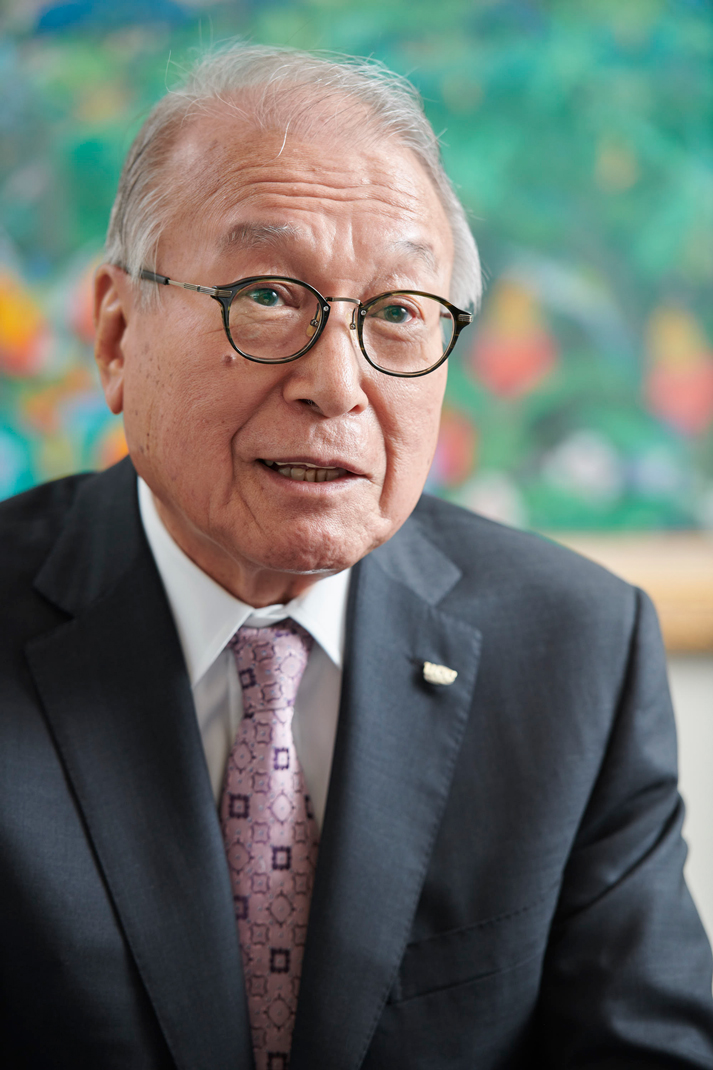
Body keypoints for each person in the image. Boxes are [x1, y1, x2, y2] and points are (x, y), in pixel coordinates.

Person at [0, 43, 712, 1070]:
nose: (335, 384)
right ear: (116, 334)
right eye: (268, 296)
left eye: (395, 314)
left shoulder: (575, 652)